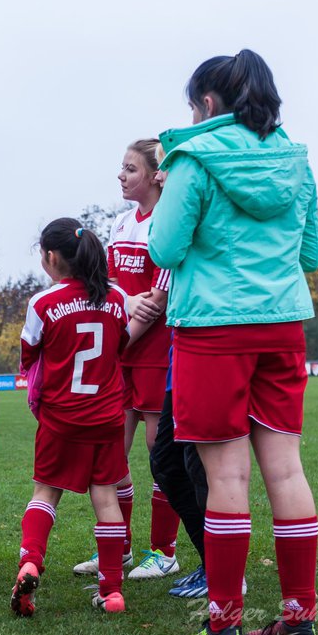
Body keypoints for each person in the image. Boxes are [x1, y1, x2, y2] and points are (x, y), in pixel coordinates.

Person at [149, 49, 318, 635]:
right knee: (286, 469)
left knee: (226, 475)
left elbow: (165, 248)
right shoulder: (297, 163)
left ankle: (223, 624)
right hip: (281, 326)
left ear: (207, 104)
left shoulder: (193, 160)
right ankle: (299, 615)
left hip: (213, 329)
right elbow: (309, 256)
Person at [13, 218, 153, 616]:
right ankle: (111, 591)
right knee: (106, 498)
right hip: (108, 417)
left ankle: (31, 562)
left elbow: (28, 356)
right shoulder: (116, 297)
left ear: (51, 257)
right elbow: (123, 342)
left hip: (61, 418)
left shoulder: (43, 303)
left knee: (45, 494)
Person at [72, 139, 182, 582]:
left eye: (130, 169)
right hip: (123, 352)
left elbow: (155, 301)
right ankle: (117, 549)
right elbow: (112, 291)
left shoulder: (169, 225)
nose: (121, 175)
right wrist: (118, 333)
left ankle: (164, 551)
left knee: (161, 458)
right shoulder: (119, 223)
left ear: (156, 175)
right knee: (111, 456)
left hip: (154, 354)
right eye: (121, 168)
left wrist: (117, 342)